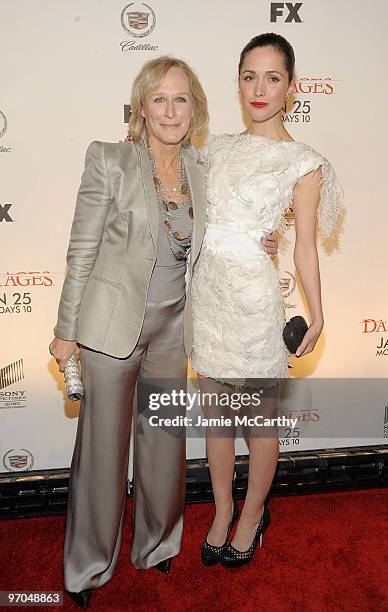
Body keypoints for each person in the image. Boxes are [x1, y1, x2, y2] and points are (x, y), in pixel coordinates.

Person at [49, 55, 277, 608]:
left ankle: (155, 545)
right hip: (109, 330)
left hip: (176, 329)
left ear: (194, 107)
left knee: (164, 447)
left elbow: (227, 234)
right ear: (141, 107)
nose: (170, 110)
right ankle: (88, 565)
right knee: (102, 453)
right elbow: (81, 249)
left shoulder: (204, 168)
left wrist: (260, 245)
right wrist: (65, 329)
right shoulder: (110, 160)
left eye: (181, 99)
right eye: (159, 99)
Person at [190, 33, 343, 568]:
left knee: (258, 425)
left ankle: (253, 515)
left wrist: (317, 310)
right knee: (216, 423)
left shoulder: (303, 162)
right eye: (250, 76)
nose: (260, 88)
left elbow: (303, 245)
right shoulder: (213, 151)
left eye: (273, 77)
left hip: (256, 304)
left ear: (292, 87)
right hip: (208, 299)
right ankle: (220, 509)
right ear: (237, 83)